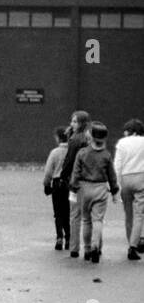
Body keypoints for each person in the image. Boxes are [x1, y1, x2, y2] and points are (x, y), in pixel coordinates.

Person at [70, 122, 118, 264]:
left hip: (85, 188)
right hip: (101, 188)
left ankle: (87, 250)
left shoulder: (82, 153)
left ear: (91, 135)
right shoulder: (106, 155)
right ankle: (96, 246)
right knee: (98, 220)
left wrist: (73, 189)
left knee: (86, 220)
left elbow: (76, 173)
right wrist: (115, 191)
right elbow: (112, 176)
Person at [57, 111, 92, 258]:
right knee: (89, 216)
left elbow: (69, 161)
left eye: (75, 122)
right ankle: (91, 248)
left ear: (81, 123)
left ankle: (75, 248)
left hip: (76, 180)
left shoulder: (75, 139)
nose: (72, 124)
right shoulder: (90, 138)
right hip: (91, 180)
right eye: (72, 121)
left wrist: (63, 176)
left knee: (75, 215)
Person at [113, 119, 144, 261]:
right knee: (139, 214)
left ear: (130, 131)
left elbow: (117, 165)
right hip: (141, 178)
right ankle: (133, 245)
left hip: (125, 178)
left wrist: (116, 184)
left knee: (128, 213)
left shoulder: (121, 143)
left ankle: (130, 240)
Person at [42, 127, 71, 251]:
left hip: (57, 184)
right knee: (68, 212)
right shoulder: (72, 151)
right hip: (70, 184)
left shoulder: (54, 152)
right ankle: (69, 238)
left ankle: (59, 237)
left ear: (58, 138)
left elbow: (48, 171)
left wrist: (46, 184)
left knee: (58, 213)